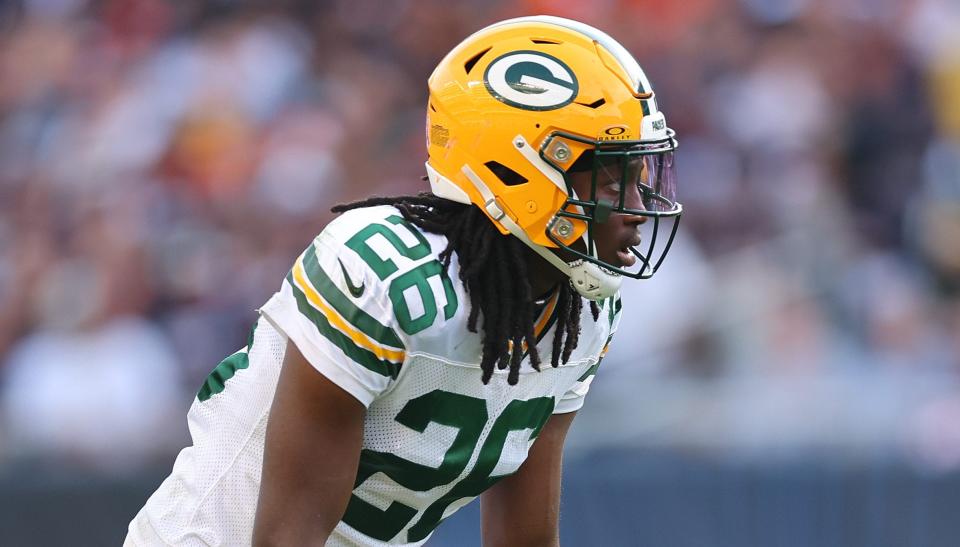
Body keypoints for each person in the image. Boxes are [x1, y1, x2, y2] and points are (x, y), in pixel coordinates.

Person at [125, 15, 682, 546]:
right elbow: (285, 535)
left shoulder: (580, 311)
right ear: (522, 174)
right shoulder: (382, 270)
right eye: (611, 184)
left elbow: (526, 538)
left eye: (640, 177)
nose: (638, 208)